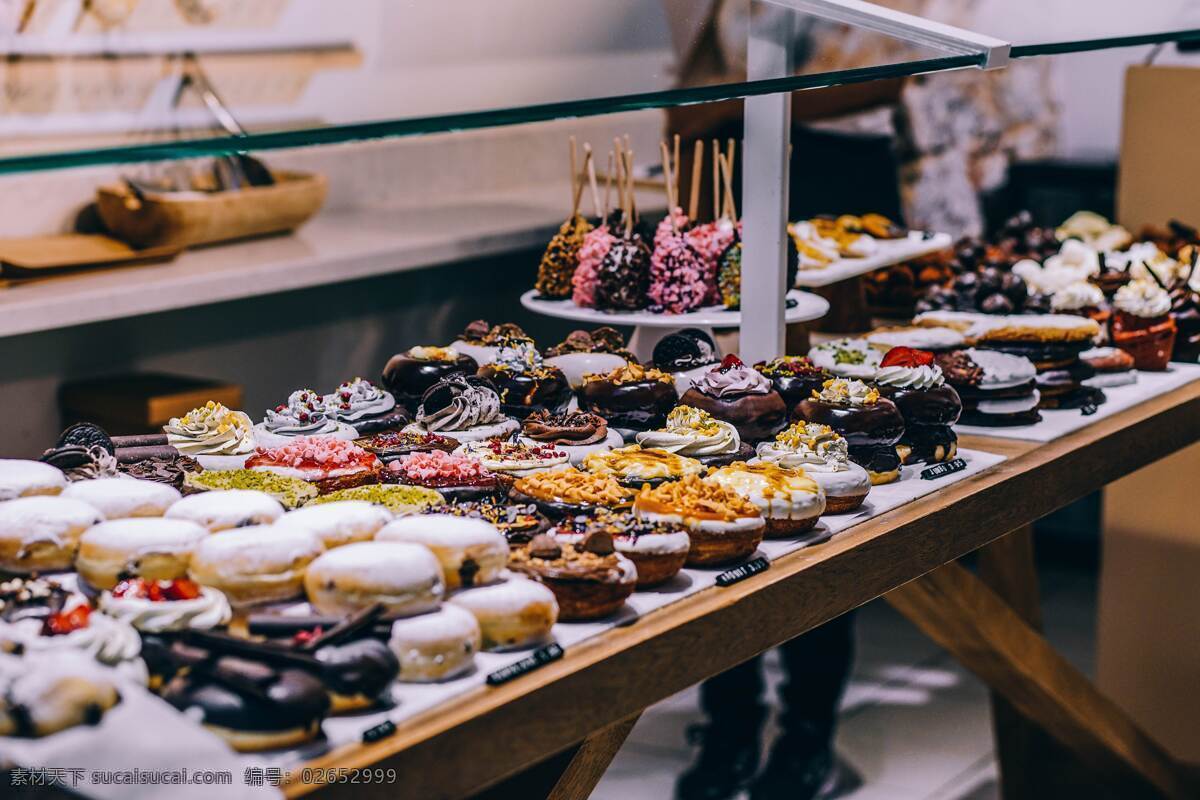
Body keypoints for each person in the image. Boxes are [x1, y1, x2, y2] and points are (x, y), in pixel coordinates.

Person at [662, 3, 907, 798]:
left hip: (838, 179)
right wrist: (721, 113)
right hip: (729, 184)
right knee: (724, 468)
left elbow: (894, 69)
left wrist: (743, 101)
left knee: (818, 470)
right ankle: (729, 721)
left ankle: (808, 729)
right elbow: (685, 97)